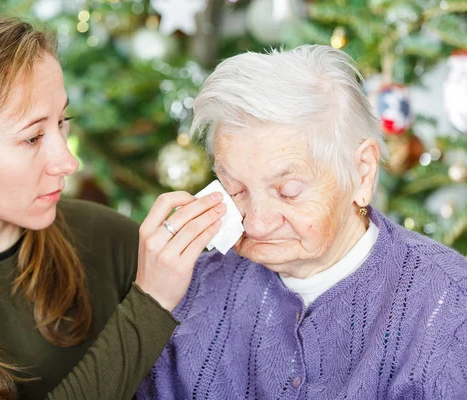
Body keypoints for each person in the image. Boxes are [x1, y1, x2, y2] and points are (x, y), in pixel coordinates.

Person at [0, 11, 225, 400]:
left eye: (62, 121)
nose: (67, 162)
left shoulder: (104, 238)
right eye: (32, 138)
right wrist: (150, 304)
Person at [137, 45, 467, 399]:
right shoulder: (188, 290)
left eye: (289, 191)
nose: (258, 225)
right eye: (236, 189)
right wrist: (148, 307)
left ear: (362, 172)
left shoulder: (448, 307)